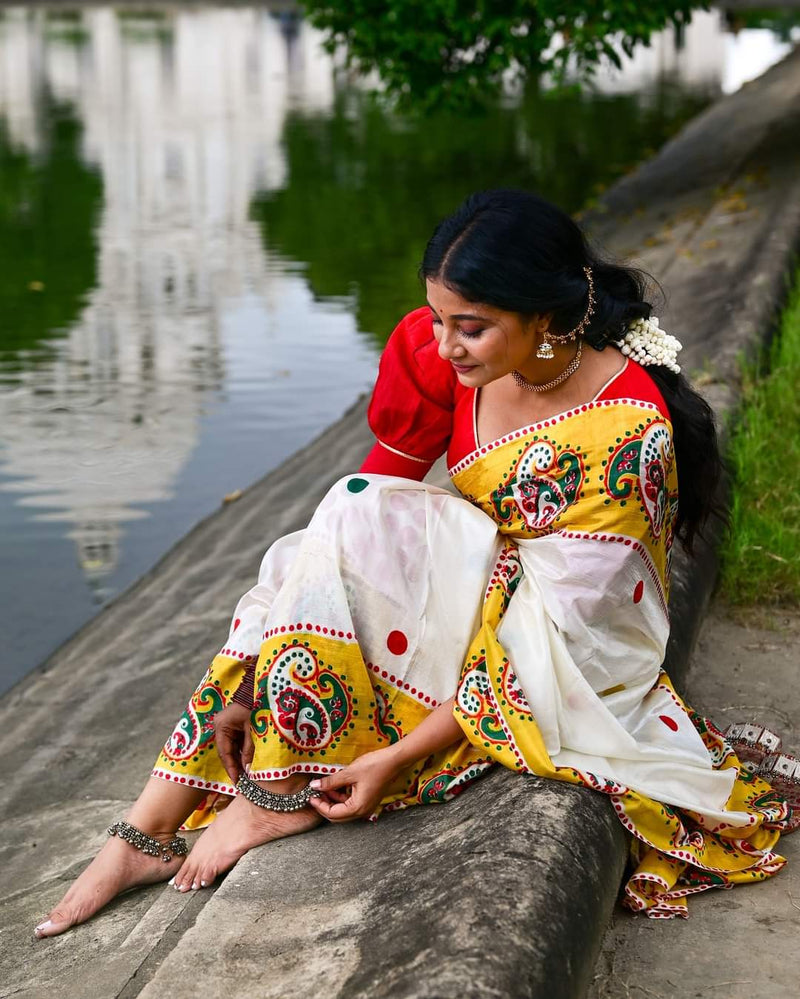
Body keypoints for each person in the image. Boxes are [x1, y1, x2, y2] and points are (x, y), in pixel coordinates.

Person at [34, 189, 793, 938]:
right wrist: (261, 674)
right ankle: (146, 828)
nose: (444, 345)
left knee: (361, 522)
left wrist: (396, 757)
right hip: (474, 602)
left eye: (470, 327)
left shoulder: (624, 435)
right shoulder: (458, 358)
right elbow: (349, 530)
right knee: (329, 525)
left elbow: (565, 642)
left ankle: (275, 797)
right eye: (437, 319)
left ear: (549, 317)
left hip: (563, 645)